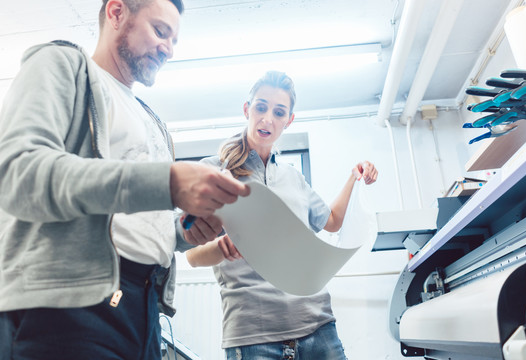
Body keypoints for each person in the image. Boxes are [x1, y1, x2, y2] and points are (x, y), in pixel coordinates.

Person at [0, 0, 250, 359]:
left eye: (174, 41)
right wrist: (167, 183)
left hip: (144, 308)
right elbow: (20, 173)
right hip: (71, 304)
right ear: (117, 13)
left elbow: (139, 224)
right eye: (160, 32)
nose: (168, 49)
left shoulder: (154, 122)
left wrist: (184, 233)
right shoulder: (62, 65)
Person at [185, 70, 378, 360]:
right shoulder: (213, 172)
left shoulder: (293, 177)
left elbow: (332, 222)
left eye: (279, 112)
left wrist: (353, 178)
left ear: (289, 120)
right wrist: (220, 248)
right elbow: (191, 255)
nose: (268, 119)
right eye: (261, 108)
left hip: (318, 326)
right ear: (247, 109)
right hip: (253, 334)